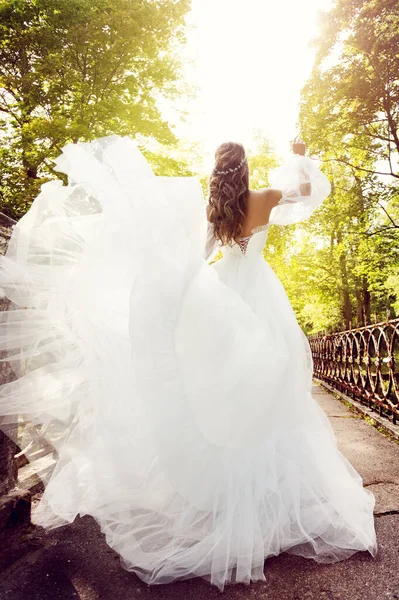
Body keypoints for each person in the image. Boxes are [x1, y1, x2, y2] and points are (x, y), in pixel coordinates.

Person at [0, 135, 377, 591]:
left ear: (218, 173)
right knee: (271, 396)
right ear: (246, 169)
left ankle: (223, 497)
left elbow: (188, 264)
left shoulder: (213, 213)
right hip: (258, 299)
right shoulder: (265, 198)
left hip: (217, 303)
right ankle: (269, 498)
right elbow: (309, 192)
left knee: (218, 395)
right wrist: (298, 157)